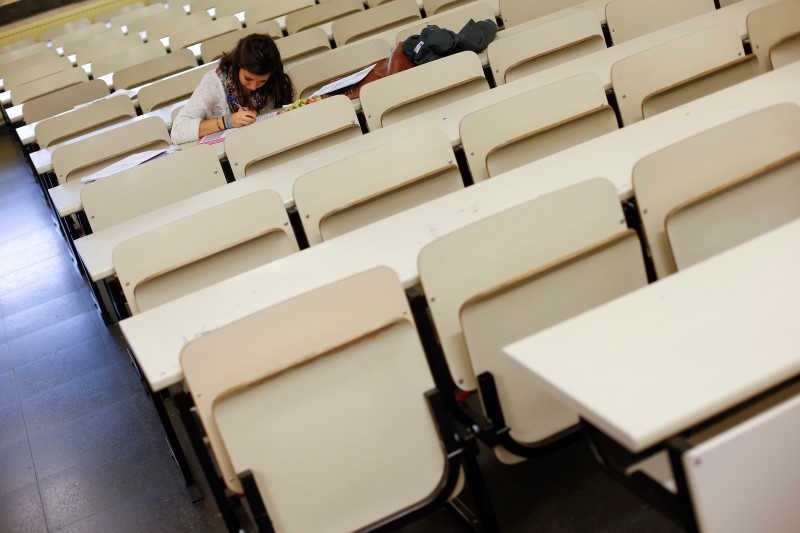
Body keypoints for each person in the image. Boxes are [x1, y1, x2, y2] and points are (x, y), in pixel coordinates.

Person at [170, 33, 294, 144]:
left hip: (274, 140)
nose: (253, 86)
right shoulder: (213, 83)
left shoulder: (275, 79)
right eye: (248, 79)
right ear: (237, 66)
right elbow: (178, 131)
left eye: (262, 81)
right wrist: (227, 122)